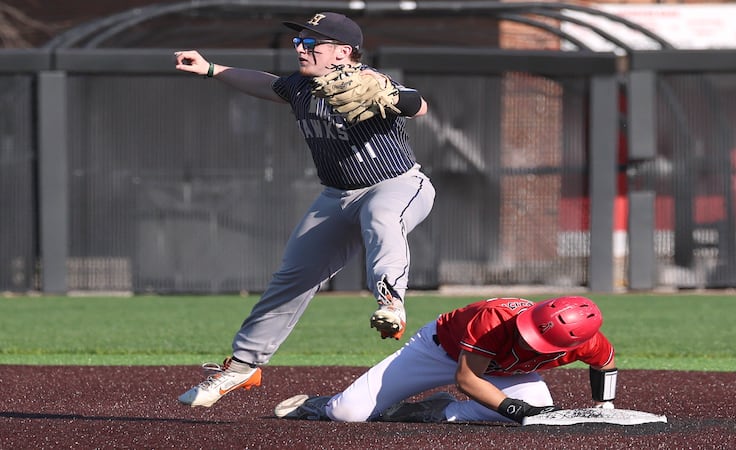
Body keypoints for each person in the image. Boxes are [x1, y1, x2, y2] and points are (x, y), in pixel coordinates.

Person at [173, 11, 436, 408]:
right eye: (299, 40)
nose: (301, 46)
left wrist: (395, 97)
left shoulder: (366, 81)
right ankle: (242, 366)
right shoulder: (300, 86)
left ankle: (391, 304)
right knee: (292, 277)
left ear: (343, 52)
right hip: (336, 195)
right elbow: (266, 83)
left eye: (312, 42)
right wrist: (212, 68)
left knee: (383, 219)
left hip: (396, 184)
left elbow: (418, 106)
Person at [273, 296, 618, 424]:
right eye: (531, 328)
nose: (527, 335)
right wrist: (512, 408)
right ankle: (318, 405)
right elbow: (467, 380)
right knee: (347, 414)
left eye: (538, 339)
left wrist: (605, 406)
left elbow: (605, 365)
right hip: (440, 352)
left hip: (500, 371)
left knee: (539, 406)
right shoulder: (495, 319)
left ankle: (435, 410)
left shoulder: (590, 345)